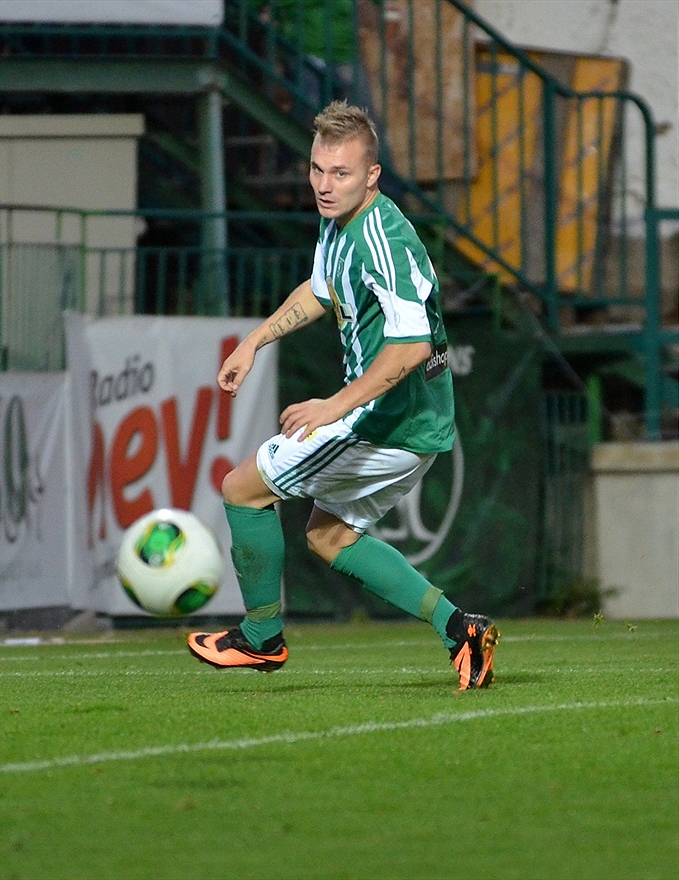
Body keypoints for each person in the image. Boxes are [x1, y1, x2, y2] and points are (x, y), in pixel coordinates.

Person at [188, 101, 499, 690]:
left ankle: (261, 641)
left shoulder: (386, 236)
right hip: (402, 420)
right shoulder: (339, 225)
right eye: (317, 170)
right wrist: (254, 341)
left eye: (341, 174)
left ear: (372, 175)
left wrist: (334, 406)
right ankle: (462, 631)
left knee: (241, 490)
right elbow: (321, 290)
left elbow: (411, 348)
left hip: (390, 420)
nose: (325, 186)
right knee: (328, 537)